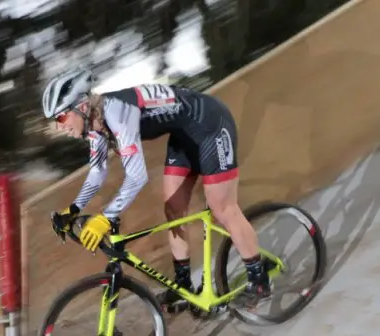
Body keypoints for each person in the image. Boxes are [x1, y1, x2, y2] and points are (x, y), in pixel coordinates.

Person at [43, 67, 270, 309]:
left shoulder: (117, 112)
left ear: (83, 106)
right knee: (173, 209)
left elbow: (137, 177)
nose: (60, 127)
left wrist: (106, 218)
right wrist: (74, 208)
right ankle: (183, 286)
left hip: (210, 124)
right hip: (183, 136)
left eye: (61, 118)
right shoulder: (95, 127)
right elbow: (98, 171)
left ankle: (259, 280)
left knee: (222, 208)